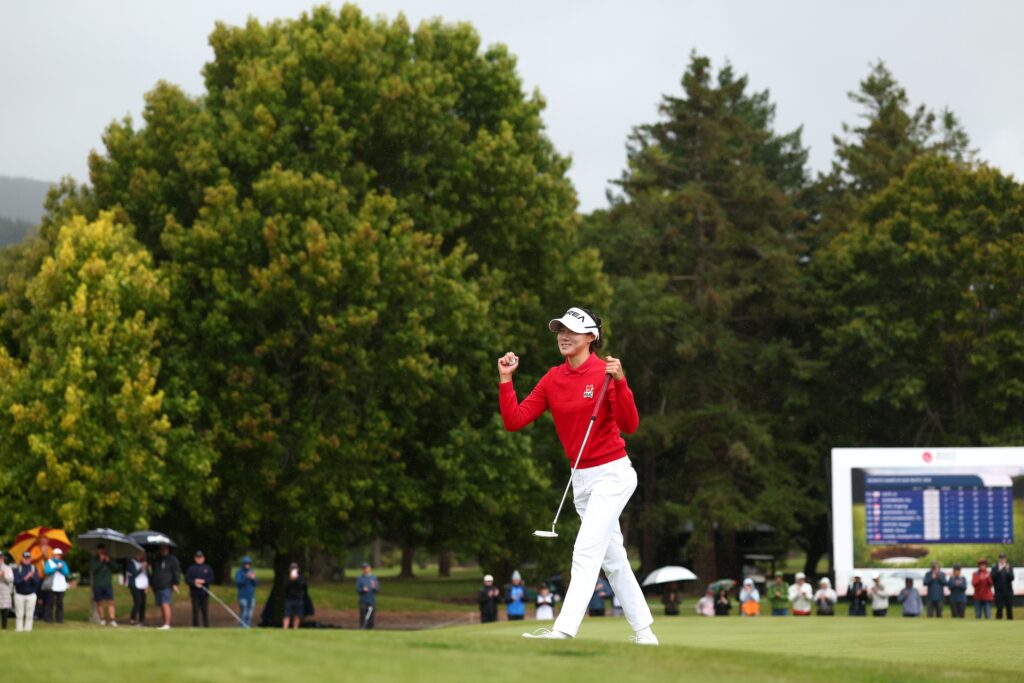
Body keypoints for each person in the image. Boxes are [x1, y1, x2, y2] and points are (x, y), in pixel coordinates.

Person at [499, 307, 657, 645]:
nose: (563, 335)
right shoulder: (553, 378)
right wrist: (506, 379)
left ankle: (563, 629)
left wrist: (621, 382)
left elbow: (630, 425)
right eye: (560, 330)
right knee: (614, 560)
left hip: (613, 475)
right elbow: (514, 419)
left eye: (571, 330)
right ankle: (645, 633)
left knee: (585, 550)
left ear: (591, 337)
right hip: (581, 480)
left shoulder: (605, 373)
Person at [151, 544, 181, 630]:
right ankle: (164, 623)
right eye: (161, 548)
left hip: (167, 585)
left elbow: (176, 572)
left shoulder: (173, 560)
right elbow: (154, 572)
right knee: (161, 605)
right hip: (157, 586)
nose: (163, 550)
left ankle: (167, 624)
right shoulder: (156, 560)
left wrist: (175, 583)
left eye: (164, 548)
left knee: (165, 604)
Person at [90, 544, 119, 626]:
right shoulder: (94, 559)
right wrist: (100, 561)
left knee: (111, 602)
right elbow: (93, 569)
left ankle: (112, 619)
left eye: (103, 550)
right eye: (100, 550)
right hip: (98, 584)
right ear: (97, 551)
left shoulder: (109, 558)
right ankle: (102, 619)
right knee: (100, 602)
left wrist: (108, 561)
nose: (101, 551)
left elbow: (116, 567)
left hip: (107, 583)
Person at [185, 550, 214, 627]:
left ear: (203, 558)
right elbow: (187, 579)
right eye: (197, 557)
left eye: (200, 557)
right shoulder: (191, 568)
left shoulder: (207, 568)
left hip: (204, 593)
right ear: (195, 558)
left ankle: (206, 625)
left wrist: (203, 581)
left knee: (205, 610)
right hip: (194, 593)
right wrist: (194, 582)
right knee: (195, 610)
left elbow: (211, 579)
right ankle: (195, 625)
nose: (199, 559)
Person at [13, 551, 40, 632]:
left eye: (28, 558)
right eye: (25, 558)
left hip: (31, 594)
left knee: (29, 614)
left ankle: (28, 630)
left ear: (30, 559)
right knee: (19, 614)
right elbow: (16, 583)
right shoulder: (18, 569)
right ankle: (19, 630)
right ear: (22, 559)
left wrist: (31, 577)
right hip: (19, 594)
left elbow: (37, 583)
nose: (26, 560)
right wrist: (26, 578)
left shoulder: (34, 569)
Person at [43, 547, 70, 623]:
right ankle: (48, 618)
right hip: (52, 585)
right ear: (53, 555)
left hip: (61, 586)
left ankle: (59, 618)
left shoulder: (63, 563)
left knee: (60, 603)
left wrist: (61, 569)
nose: (58, 556)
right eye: (57, 555)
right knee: (50, 602)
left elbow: (66, 572)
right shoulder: (49, 562)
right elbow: (46, 571)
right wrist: (56, 568)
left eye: (59, 555)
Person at [125, 550, 149, 626]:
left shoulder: (144, 563)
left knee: (143, 603)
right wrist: (141, 568)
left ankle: (141, 620)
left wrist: (147, 585)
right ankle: (133, 618)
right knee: (138, 601)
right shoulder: (131, 563)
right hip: (134, 585)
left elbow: (147, 575)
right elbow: (134, 574)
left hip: (143, 585)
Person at [235, 556, 257, 628]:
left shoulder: (252, 571)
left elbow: (256, 584)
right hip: (243, 596)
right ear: (243, 564)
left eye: (249, 564)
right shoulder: (239, 572)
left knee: (250, 613)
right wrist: (246, 577)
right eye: (246, 564)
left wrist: (253, 578)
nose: (247, 565)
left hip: (251, 596)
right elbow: (239, 583)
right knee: (244, 612)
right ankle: (242, 626)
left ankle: (247, 626)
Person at [356, 562, 379, 629]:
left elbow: (377, 589)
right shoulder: (360, 578)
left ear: (370, 569)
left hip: (371, 600)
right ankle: (363, 626)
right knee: (363, 613)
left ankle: (370, 626)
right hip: (363, 600)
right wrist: (363, 589)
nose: (365, 570)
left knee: (371, 614)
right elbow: (357, 589)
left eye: (367, 568)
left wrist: (374, 587)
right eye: (364, 568)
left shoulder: (373, 578)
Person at [283, 562, 306, 629]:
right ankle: (285, 628)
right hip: (289, 599)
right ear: (289, 570)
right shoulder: (287, 578)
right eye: (292, 568)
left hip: (298, 599)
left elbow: (303, 586)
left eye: (295, 568)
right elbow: (285, 586)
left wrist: (297, 579)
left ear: (298, 569)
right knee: (286, 615)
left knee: (297, 615)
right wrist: (291, 579)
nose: (293, 570)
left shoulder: (301, 578)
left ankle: (295, 628)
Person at [991, 553, 1014, 620]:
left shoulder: (1009, 567)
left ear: (1005, 559)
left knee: (1009, 609)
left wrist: (1007, 571)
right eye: (1001, 558)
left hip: (1008, 592)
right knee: (999, 609)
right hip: (998, 592)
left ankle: (1010, 623)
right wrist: (999, 570)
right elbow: (993, 577)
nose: (1002, 560)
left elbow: (1012, 578)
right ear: (999, 559)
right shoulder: (995, 567)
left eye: (1003, 558)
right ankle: (998, 624)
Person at [0, 553, 12, 630]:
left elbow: (11, 580)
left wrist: (4, 575)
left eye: (1, 557)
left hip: (4, 592)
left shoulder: (8, 568)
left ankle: (4, 628)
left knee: (4, 611)